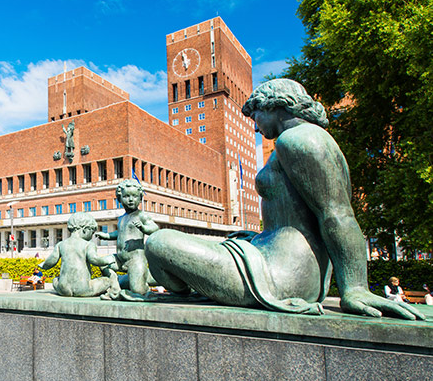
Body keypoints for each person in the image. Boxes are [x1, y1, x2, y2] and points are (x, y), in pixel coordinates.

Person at [145, 78, 423, 320]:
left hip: (280, 275)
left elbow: (337, 214)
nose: (254, 128)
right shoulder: (303, 139)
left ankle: (184, 289)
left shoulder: (299, 140)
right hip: (270, 258)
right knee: (173, 248)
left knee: (159, 242)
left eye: (256, 117)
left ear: (274, 107)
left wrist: (355, 288)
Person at [95, 179, 159, 300]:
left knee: (138, 290)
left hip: (135, 259)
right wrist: (106, 236)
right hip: (119, 259)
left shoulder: (141, 215)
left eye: (134, 196)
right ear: (119, 199)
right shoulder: (121, 218)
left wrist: (143, 228)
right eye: (126, 196)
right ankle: (115, 286)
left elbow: (154, 227)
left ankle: (144, 279)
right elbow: (118, 233)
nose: (130, 199)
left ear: (140, 199)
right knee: (102, 263)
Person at [38, 213, 119, 298]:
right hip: (84, 289)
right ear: (85, 229)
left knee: (55, 280)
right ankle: (114, 292)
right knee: (107, 280)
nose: (92, 236)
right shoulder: (88, 245)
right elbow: (94, 260)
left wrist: (43, 265)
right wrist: (108, 259)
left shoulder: (61, 244)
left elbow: (52, 260)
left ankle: (64, 287)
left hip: (63, 289)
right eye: (92, 232)